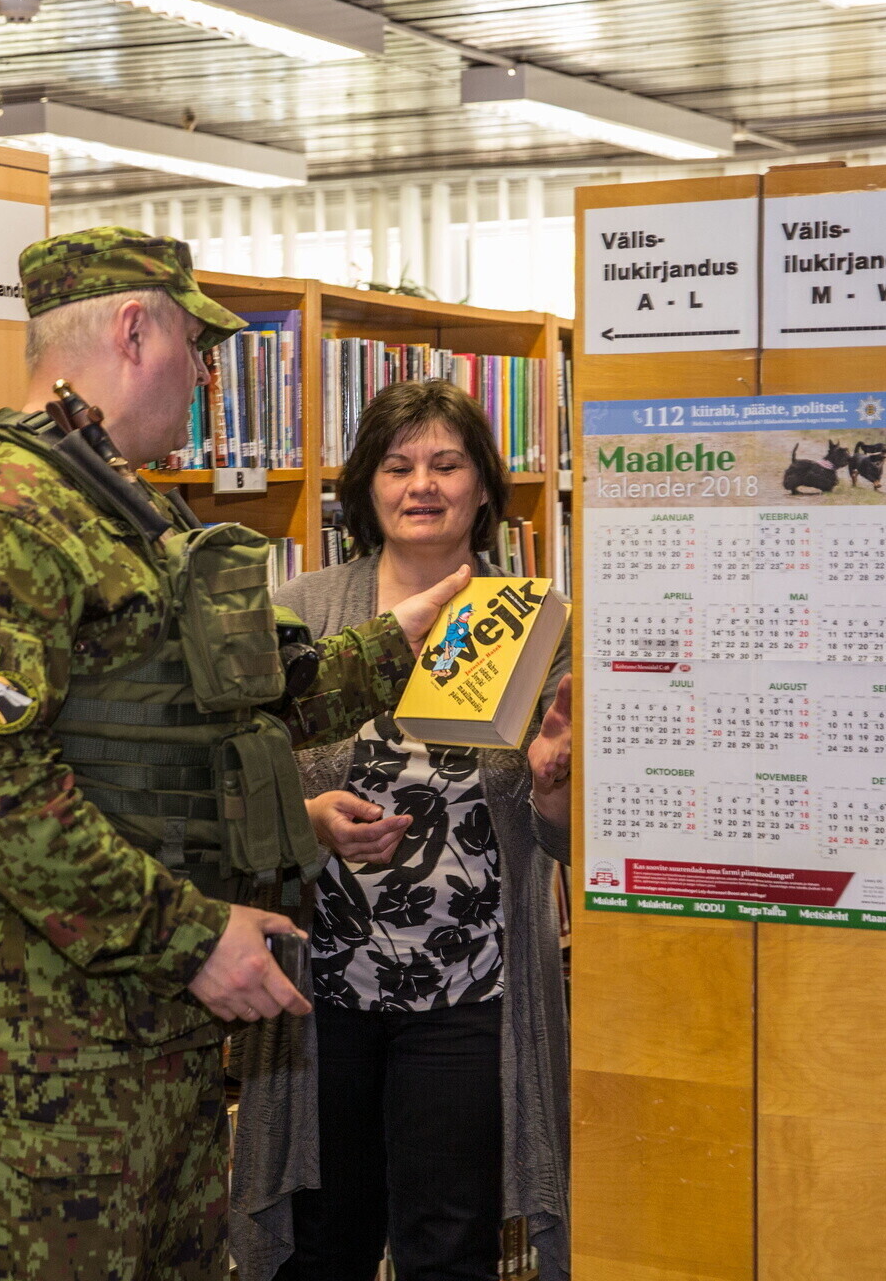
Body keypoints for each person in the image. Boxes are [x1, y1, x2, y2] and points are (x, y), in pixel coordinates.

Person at [0, 228, 475, 1281]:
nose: (205, 378)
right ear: (132, 329)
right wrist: (194, 937)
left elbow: (228, 707)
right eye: (196, 349)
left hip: (157, 1021)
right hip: (48, 1042)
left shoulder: (124, 509)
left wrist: (399, 640)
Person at [232, 380, 573, 1281]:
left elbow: (563, 843)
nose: (422, 484)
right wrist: (308, 823)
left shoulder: (537, 623)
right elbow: (238, 782)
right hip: (319, 991)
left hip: (474, 995)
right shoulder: (301, 610)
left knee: (450, 1248)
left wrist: (554, 786)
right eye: (397, 465)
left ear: (484, 487)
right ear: (366, 486)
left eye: (446, 464)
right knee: (323, 1246)